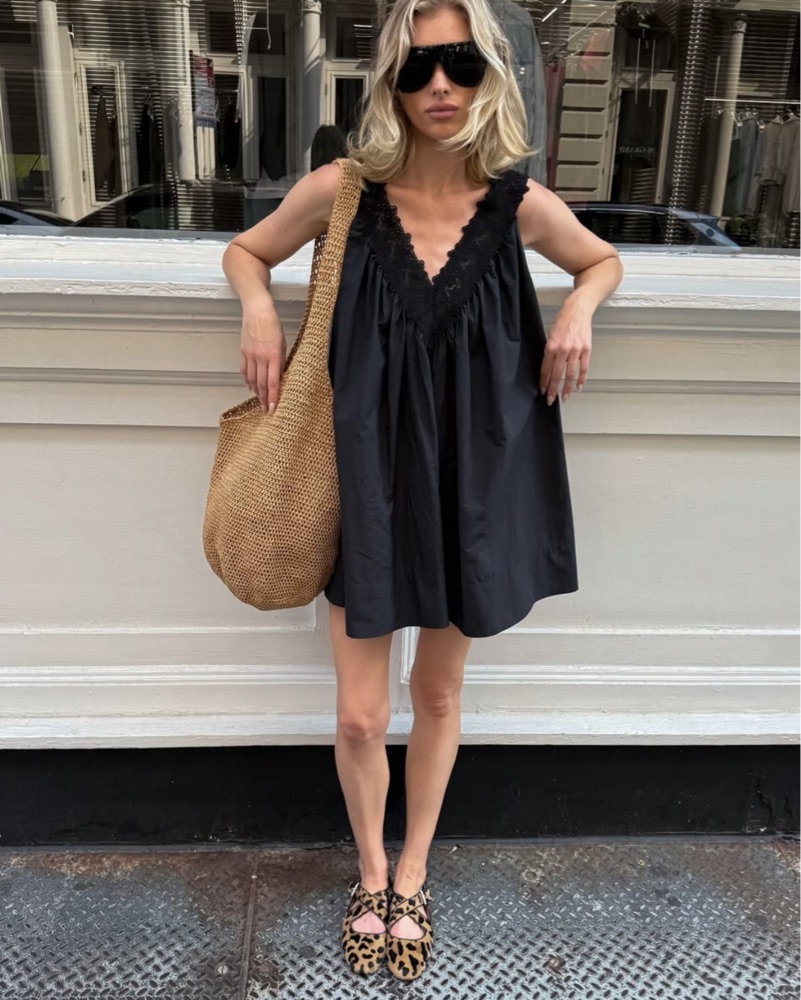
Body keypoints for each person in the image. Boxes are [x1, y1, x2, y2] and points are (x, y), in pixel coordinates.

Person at [222, 0, 623, 983]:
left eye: (459, 63)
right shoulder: (345, 193)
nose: (438, 85)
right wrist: (258, 312)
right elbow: (246, 249)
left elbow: (602, 258)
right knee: (361, 714)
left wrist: (579, 306)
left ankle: (413, 875)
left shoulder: (515, 204)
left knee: (437, 692)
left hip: (471, 485)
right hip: (360, 481)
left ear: (490, 73)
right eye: (415, 67)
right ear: (390, 84)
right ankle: (369, 872)